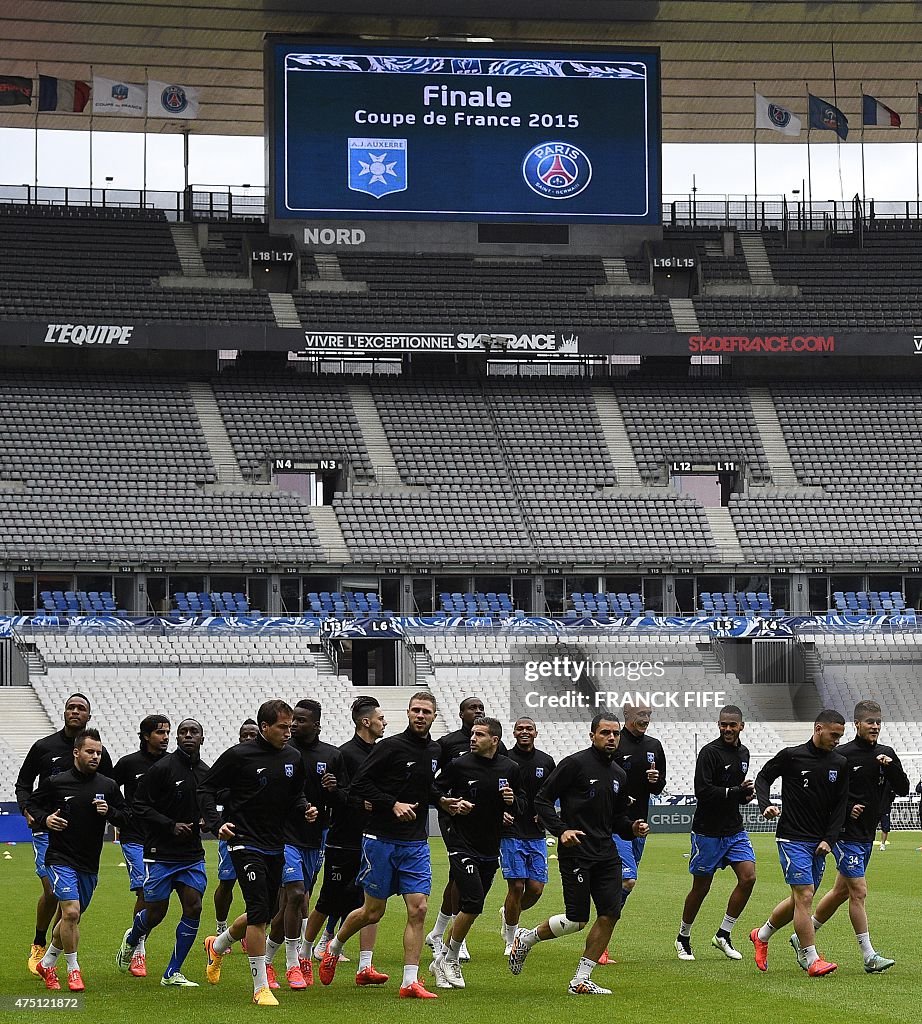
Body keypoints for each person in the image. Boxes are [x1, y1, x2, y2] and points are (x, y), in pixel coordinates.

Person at [318, 692, 461, 999]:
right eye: (416, 710)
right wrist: (391, 803)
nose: (420, 715)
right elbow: (359, 786)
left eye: (426, 711)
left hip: (415, 842)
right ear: (408, 713)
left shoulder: (435, 750)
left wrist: (441, 800)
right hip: (380, 840)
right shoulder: (389, 747)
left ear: (434, 716)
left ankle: (410, 981)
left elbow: (426, 785)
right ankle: (334, 945)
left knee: (419, 908)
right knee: (372, 912)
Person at [508, 712, 650, 996]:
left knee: (610, 914)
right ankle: (527, 938)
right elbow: (542, 800)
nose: (611, 738)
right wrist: (561, 830)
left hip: (606, 853)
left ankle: (581, 979)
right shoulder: (574, 764)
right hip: (576, 853)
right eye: (605, 733)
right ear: (592, 736)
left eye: (615, 734)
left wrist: (633, 827)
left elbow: (618, 819)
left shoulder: (619, 775)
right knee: (577, 920)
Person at [199, 699, 316, 1007]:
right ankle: (260, 987)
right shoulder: (239, 756)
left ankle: (218, 945)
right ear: (264, 727)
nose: (288, 733)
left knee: (262, 912)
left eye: (290, 727)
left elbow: (296, 794)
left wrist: (305, 808)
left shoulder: (293, 757)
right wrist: (216, 823)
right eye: (282, 727)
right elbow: (205, 789)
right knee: (259, 913)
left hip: (276, 843)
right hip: (243, 841)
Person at [790, 700, 908, 974]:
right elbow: (828, 795)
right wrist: (845, 811)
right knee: (859, 891)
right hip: (844, 834)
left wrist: (890, 767)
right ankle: (869, 955)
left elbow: (902, 789)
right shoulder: (842, 756)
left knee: (841, 891)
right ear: (857, 724)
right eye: (870, 722)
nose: (875, 726)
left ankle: (801, 935)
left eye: (878, 722)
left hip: (866, 834)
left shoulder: (886, 754)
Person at [16, 693, 114, 976]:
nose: (74, 711)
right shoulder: (43, 747)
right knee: (52, 890)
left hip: (82, 838)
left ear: (88, 716)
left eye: (81, 708)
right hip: (46, 830)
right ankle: (38, 941)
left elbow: (109, 787)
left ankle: (51, 957)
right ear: (63, 712)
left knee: (70, 906)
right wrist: (30, 811)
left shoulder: (97, 753)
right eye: (70, 707)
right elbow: (23, 784)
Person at [27, 728, 129, 992]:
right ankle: (73, 969)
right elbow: (32, 805)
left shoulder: (107, 786)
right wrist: (45, 819)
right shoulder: (56, 783)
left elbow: (127, 816)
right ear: (76, 752)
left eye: (98, 752)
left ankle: (47, 962)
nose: (95, 756)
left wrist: (111, 812)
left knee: (72, 919)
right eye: (90, 751)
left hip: (89, 863)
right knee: (70, 911)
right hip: (60, 858)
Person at [751, 709, 849, 977]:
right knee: (805, 896)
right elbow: (763, 778)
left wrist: (830, 839)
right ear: (818, 728)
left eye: (841, 736)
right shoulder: (791, 756)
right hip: (791, 837)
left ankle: (761, 935)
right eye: (833, 734)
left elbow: (841, 805)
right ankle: (811, 958)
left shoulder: (840, 763)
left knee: (800, 899)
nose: (837, 740)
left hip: (819, 842)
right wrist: (765, 805)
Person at [300, 695, 388, 986]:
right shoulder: (343, 754)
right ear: (366, 722)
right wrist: (357, 801)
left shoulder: (382, 752)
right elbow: (332, 796)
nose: (384, 722)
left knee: (370, 902)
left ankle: (365, 966)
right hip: (344, 839)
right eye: (380, 718)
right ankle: (303, 954)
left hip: (372, 839)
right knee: (328, 901)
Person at [115, 718, 210, 987]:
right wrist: (170, 825)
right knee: (156, 912)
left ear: (202, 738)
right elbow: (140, 805)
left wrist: (207, 821)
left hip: (191, 855)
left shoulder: (205, 772)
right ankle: (133, 937)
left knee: (194, 905)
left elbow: (212, 803)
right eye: (183, 732)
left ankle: (172, 972)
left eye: (194, 732)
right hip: (160, 852)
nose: (187, 735)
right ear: (179, 739)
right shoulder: (162, 769)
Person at [430, 717, 521, 990]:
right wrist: (450, 804)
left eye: (479, 734)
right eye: (472, 733)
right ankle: (451, 958)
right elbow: (434, 789)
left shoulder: (510, 768)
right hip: (460, 842)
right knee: (473, 902)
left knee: (474, 905)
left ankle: (442, 959)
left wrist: (512, 803)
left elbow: (523, 803)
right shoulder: (459, 765)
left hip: (489, 845)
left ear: (494, 740)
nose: (472, 738)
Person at [265, 699, 346, 990]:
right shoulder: (282, 753)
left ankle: (260, 956)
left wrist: (334, 790)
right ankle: (294, 964)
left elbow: (344, 800)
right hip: (284, 835)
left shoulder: (332, 756)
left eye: (300, 720)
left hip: (316, 838)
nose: (294, 725)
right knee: (296, 895)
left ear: (316, 724)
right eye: (291, 721)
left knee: (292, 904)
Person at [425, 695, 505, 961]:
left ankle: (441, 932)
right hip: (454, 822)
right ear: (460, 714)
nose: (478, 710)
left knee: (458, 879)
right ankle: (450, 938)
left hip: (484, 827)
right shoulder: (447, 745)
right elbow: (435, 782)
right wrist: (447, 803)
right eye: (472, 708)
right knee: (461, 877)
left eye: (481, 707)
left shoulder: (497, 750)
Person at [675, 705, 756, 962]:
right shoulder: (709, 753)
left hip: (733, 829)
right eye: (724, 724)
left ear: (741, 726)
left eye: (733, 724)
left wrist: (745, 796)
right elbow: (703, 791)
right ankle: (683, 937)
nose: (728, 729)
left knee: (748, 878)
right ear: (718, 725)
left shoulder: (744, 753)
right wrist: (735, 791)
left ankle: (723, 934)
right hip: (707, 831)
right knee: (701, 887)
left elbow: (734, 795)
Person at [110, 713, 172, 977]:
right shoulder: (128, 764)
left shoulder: (173, 764)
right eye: (160, 732)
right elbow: (109, 790)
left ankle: (134, 934)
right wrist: (121, 816)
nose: (166, 737)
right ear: (146, 736)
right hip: (135, 837)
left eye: (168, 732)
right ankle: (138, 950)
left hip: (165, 840)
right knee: (145, 893)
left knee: (158, 899)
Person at [499, 717, 556, 955]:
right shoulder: (504, 761)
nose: (524, 732)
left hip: (536, 833)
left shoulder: (546, 761)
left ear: (536, 733)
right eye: (520, 728)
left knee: (535, 888)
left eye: (528, 729)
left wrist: (546, 815)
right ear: (513, 733)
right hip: (511, 831)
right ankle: (511, 939)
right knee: (517, 886)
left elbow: (553, 793)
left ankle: (509, 913)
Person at [611, 704, 666, 911]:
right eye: (641, 714)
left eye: (649, 714)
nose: (646, 719)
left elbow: (659, 788)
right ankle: (606, 918)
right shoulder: (614, 742)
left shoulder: (654, 746)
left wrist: (655, 779)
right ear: (627, 715)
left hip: (640, 826)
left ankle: (606, 922)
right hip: (615, 825)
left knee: (622, 882)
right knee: (628, 879)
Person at [212, 719, 258, 939]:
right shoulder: (231, 760)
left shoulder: (267, 761)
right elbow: (214, 791)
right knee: (227, 882)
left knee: (258, 886)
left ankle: (247, 930)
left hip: (261, 834)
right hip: (233, 831)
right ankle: (221, 926)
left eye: (253, 735)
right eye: (244, 735)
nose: (248, 739)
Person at [877, 782, 894, 851]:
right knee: (870, 826)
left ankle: (883, 844)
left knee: (885, 827)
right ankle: (868, 842)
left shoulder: (888, 783)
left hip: (884, 807)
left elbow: (892, 795)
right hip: (876, 807)